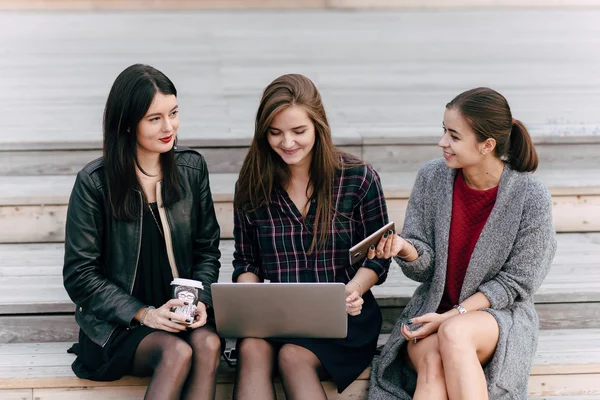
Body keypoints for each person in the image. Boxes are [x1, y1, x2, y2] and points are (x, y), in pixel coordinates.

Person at [368, 87, 558, 400]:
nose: (443, 142)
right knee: (432, 364)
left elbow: (516, 283)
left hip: (498, 316)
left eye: (454, 136)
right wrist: (405, 248)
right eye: (444, 131)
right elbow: (424, 270)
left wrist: (453, 315)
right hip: (433, 311)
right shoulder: (432, 177)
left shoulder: (531, 197)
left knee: (454, 332)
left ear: (487, 145)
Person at [63, 64, 223, 400]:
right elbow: (80, 275)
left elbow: (207, 251)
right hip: (119, 325)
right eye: (155, 118)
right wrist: (145, 313)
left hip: (181, 314)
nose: (170, 127)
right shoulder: (95, 183)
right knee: (177, 353)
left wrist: (201, 301)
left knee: (208, 343)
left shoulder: (192, 170)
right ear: (127, 123)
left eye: (174, 113)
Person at [231, 73, 391, 399]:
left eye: (298, 131)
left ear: (318, 126)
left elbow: (378, 254)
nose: (287, 143)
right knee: (251, 347)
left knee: (292, 355)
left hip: (345, 317)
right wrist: (249, 303)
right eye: (275, 133)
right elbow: (246, 261)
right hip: (277, 317)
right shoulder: (252, 186)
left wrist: (354, 290)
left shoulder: (357, 178)